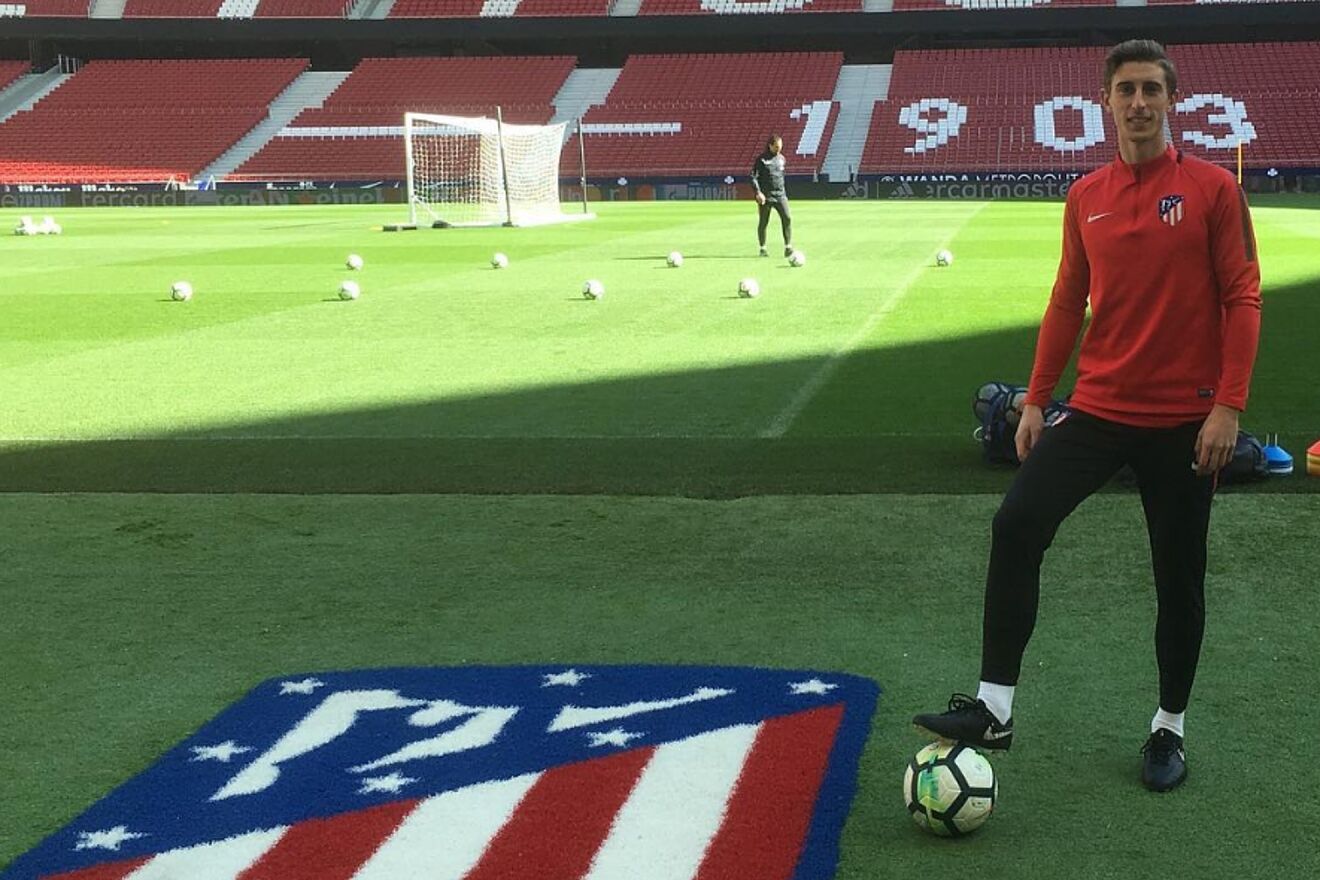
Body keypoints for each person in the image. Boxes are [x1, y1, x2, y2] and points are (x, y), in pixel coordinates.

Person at [913, 39, 1262, 793]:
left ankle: (1168, 728)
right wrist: (1037, 399)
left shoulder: (1210, 190)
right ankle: (994, 708)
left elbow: (1242, 298)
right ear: (1106, 101)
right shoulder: (1086, 195)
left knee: (1179, 578)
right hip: (1099, 407)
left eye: (1151, 90)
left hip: (1184, 420)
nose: (1138, 102)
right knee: (1016, 523)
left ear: (1172, 101)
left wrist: (1229, 406)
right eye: (1126, 90)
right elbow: (1068, 299)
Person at [751, 134, 793, 257]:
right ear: (770, 146)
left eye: (780, 147)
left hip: (780, 195)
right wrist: (758, 192)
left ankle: (788, 247)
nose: (778, 149)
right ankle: (763, 248)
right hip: (766, 196)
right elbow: (753, 177)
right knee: (764, 222)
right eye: (776, 147)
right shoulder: (761, 159)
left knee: (787, 218)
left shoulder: (782, 159)